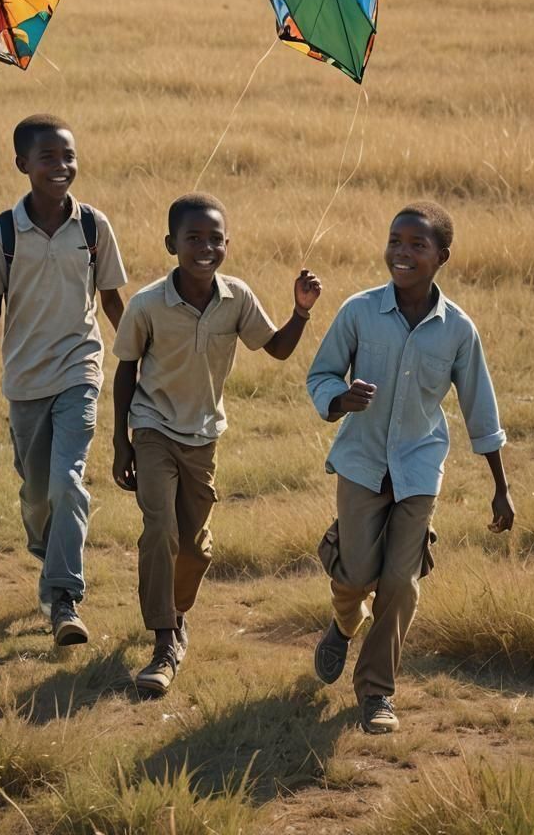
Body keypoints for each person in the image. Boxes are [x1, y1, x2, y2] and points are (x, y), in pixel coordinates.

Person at [306, 201, 514, 734]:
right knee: (356, 575)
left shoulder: (458, 330)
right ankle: (342, 622)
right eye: (395, 240)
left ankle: (376, 692)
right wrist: (340, 399)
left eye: (417, 245)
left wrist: (500, 488)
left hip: (419, 468)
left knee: (400, 580)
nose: (402, 252)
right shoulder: (358, 311)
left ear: (442, 256)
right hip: (360, 461)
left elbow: (479, 408)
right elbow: (322, 374)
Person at [111, 192, 321, 696]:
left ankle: (176, 615)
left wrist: (301, 311)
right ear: (171, 244)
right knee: (159, 528)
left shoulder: (237, 298)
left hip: (203, 434)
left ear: (227, 243)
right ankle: (164, 641)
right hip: (154, 426)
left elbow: (275, 349)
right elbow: (124, 372)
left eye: (215, 239)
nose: (205, 247)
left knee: (197, 547)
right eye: (193, 238)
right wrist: (121, 441)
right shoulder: (146, 304)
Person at [0, 114, 127, 648]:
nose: (61, 167)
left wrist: (145, 358)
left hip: (81, 369)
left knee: (67, 481)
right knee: (35, 494)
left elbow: (113, 300)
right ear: (22, 165)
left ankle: (63, 598)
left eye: (68, 157)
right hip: (25, 381)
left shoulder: (94, 227)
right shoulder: (4, 233)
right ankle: (48, 552)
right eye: (48, 158)